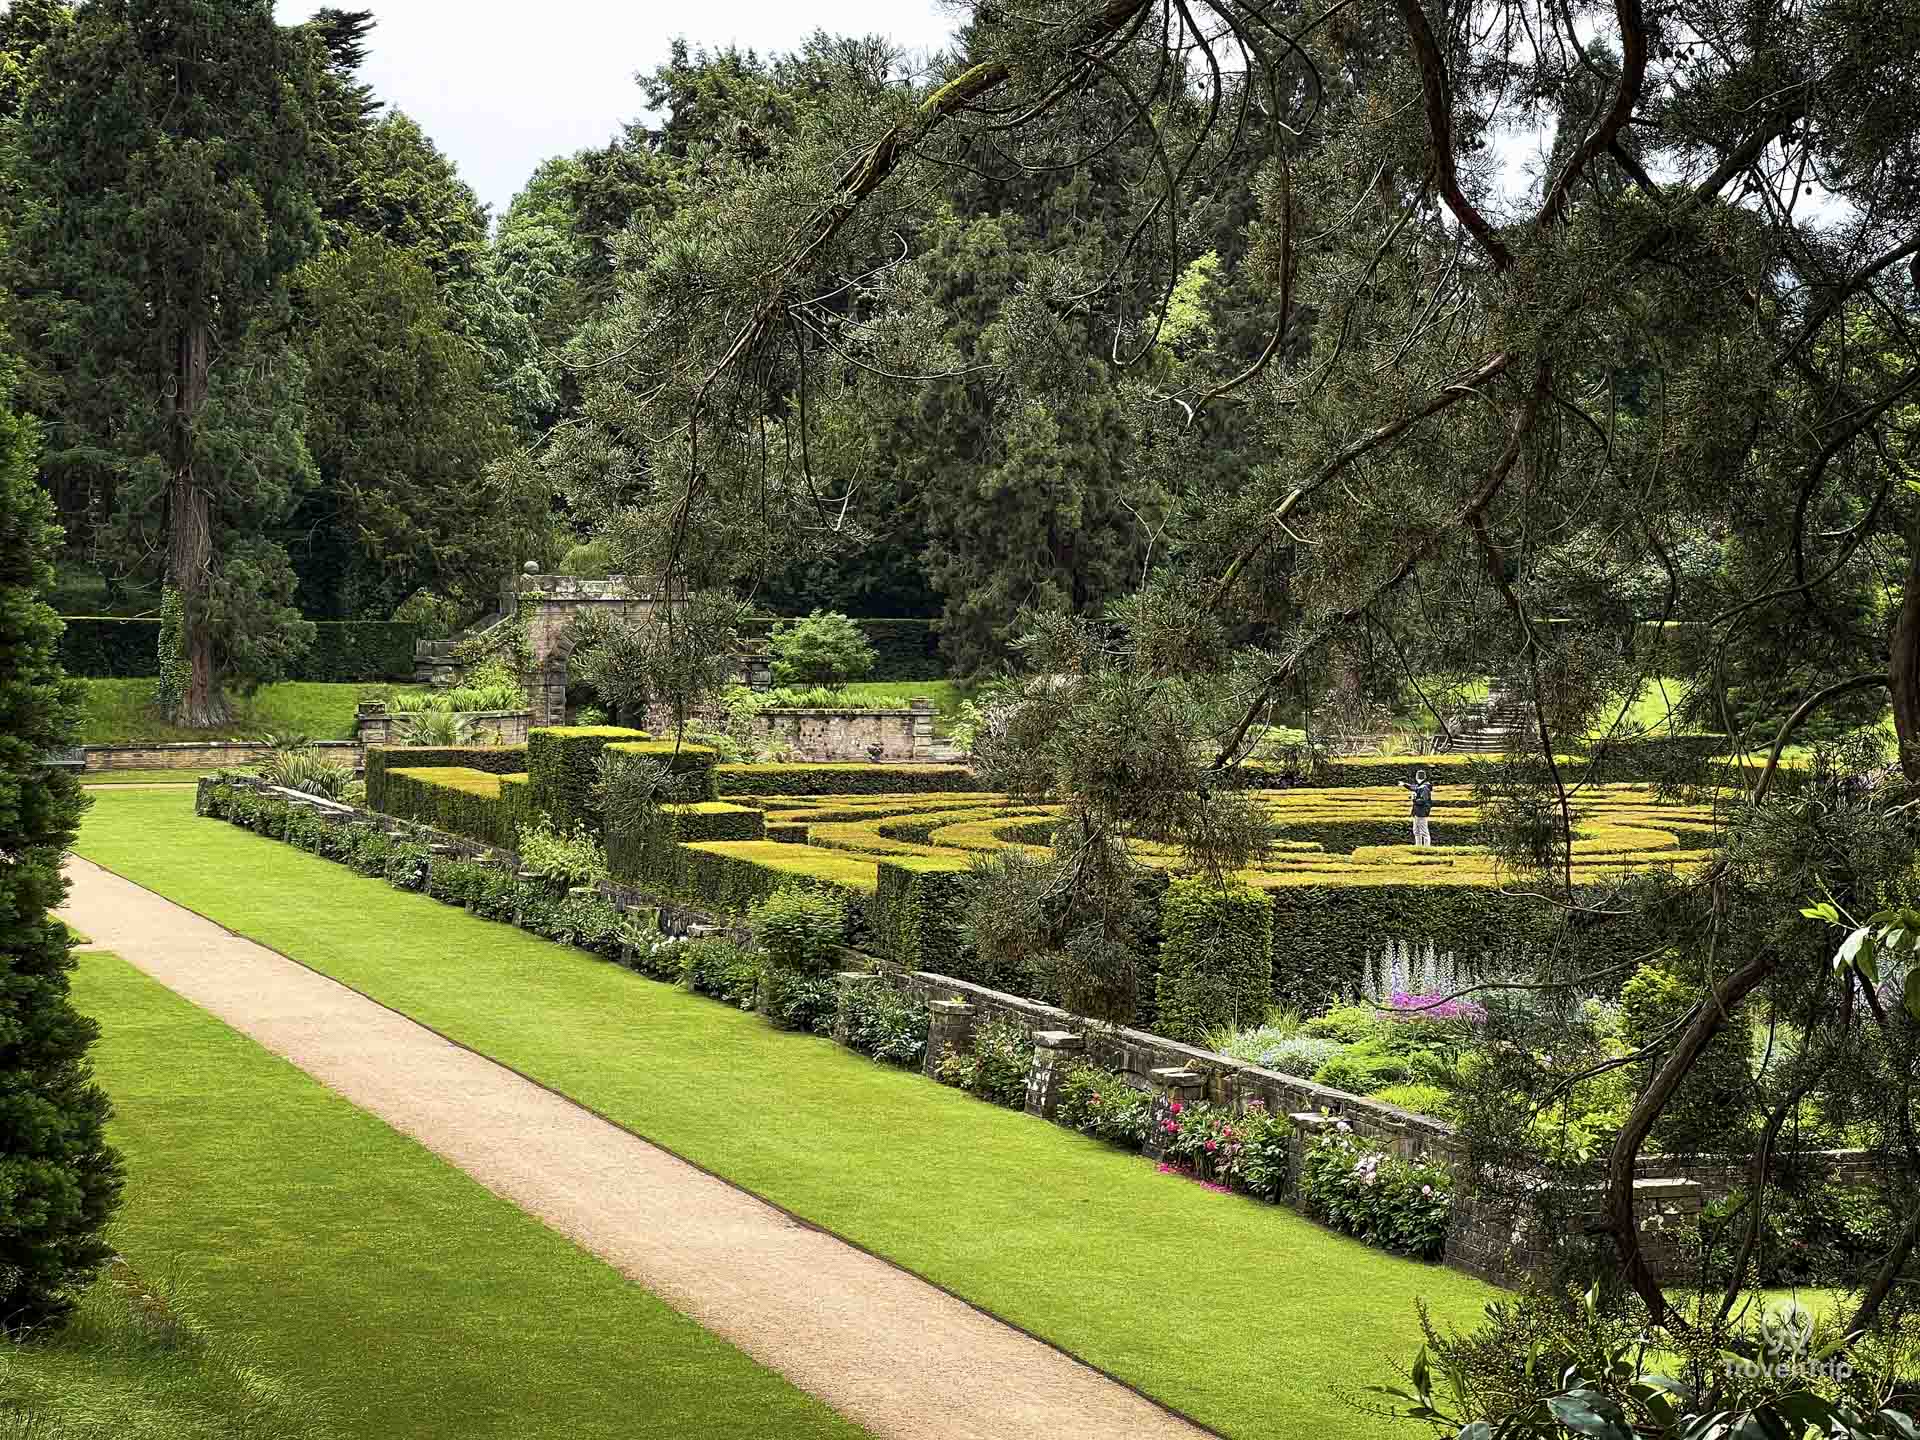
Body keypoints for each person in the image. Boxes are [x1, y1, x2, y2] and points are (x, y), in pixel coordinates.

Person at [1398, 767, 1435, 846]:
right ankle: (1418, 846)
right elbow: (1413, 787)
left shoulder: (1425, 788)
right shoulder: (1421, 786)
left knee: (1424, 831)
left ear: (1417, 778)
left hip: (1421, 812)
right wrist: (1404, 784)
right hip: (1417, 812)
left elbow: (1423, 801)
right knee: (1416, 831)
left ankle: (1426, 848)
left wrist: (1414, 799)